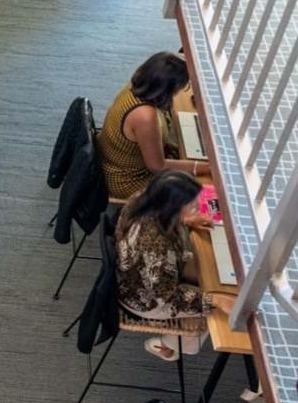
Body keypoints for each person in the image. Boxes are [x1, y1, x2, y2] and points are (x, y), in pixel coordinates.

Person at [115, 170, 230, 360]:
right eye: (191, 206)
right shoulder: (156, 247)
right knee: (214, 307)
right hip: (145, 299)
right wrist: (215, 301)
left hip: (136, 274)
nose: (196, 208)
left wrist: (186, 219)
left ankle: (172, 343)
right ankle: (168, 346)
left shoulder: (143, 199)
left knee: (213, 276)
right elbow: (166, 297)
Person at [97, 52, 205, 203]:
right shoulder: (145, 116)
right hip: (126, 180)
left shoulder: (137, 87)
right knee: (192, 195)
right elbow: (158, 167)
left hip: (113, 161)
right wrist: (206, 168)